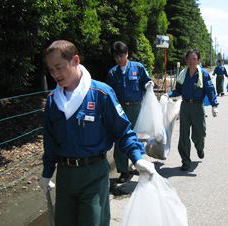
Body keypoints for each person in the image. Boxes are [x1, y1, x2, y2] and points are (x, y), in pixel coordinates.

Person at [38, 40, 156, 226]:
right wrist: (47, 173)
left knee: (93, 221)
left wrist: (137, 158)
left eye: (59, 67)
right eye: (51, 69)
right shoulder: (53, 101)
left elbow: (122, 131)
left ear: (75, 60)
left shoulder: (101, 93)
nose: (55, 74)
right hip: (65, 176)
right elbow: (50, 142)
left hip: (93, 174)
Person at [163, 49, 219, 171]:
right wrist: (169, 94)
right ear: (186, 60)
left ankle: (199, 147)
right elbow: (178, 90)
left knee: (199, 134)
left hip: (198, 107)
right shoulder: (183, 74)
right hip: (185, 106)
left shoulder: (203, 74)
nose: (192, 61)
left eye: (194, 59)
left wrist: (214, 105)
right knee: (183, 135)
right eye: (189, 59)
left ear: (199, 60)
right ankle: (185, 160)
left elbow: (209, 89)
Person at [106, 41, 153, 183]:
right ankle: (123, 170)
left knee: (137, 138)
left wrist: (149, 84)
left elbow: (146, 81)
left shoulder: (138, 68)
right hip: (120, 110)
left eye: (121, 56)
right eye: (116, 57)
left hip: (136, 107)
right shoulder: (112, 73)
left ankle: (135, 164)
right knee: (121, 139)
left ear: (127, 54)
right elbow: (108, 93)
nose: (119, 59)